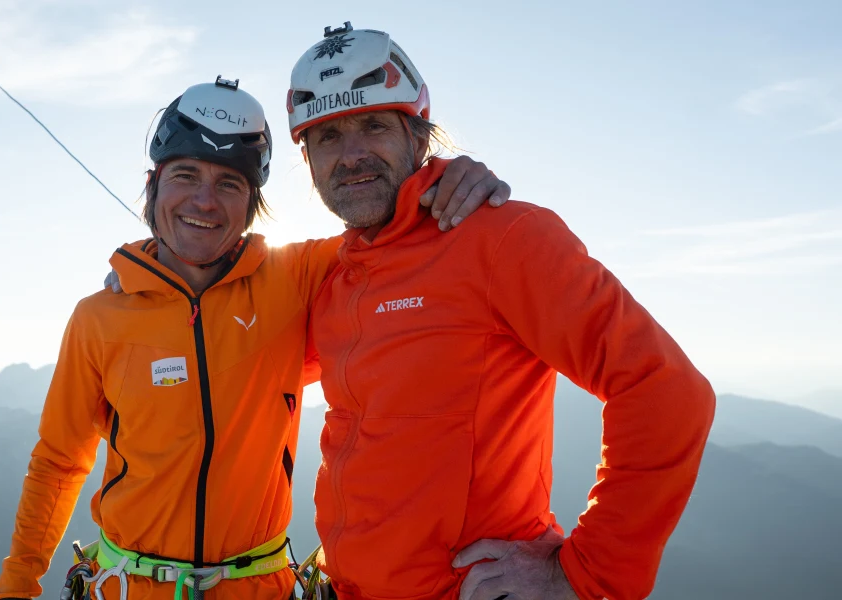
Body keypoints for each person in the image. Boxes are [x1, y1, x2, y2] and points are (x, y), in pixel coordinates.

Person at [0, 76, 511, 600]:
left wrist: (447, 178)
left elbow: (396, 228)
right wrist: (16, 586)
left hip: (259, 587)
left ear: (252, 203)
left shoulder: (298, 277)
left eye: (229, 184)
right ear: (153, 186)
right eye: (186, 175)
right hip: (124, 586)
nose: (205, 201)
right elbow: (59, 462)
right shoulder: (99, 318)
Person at [288, 23, 717, 600]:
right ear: (309, 162)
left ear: (419, 138)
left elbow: (666, 391)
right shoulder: (333, 277)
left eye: (374, 125)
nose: (352, 154)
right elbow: (236, 329)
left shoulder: (500, 237)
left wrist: (584, 574)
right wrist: (142, 274)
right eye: (327, 137)